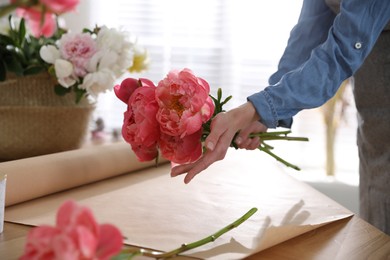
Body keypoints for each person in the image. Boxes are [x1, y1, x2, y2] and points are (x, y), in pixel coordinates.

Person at [171, 0, 390, 235]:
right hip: (375, 111)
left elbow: (341, 53)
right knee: (378, 197)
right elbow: (308, 34)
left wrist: (259, 108)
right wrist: (264, 115)